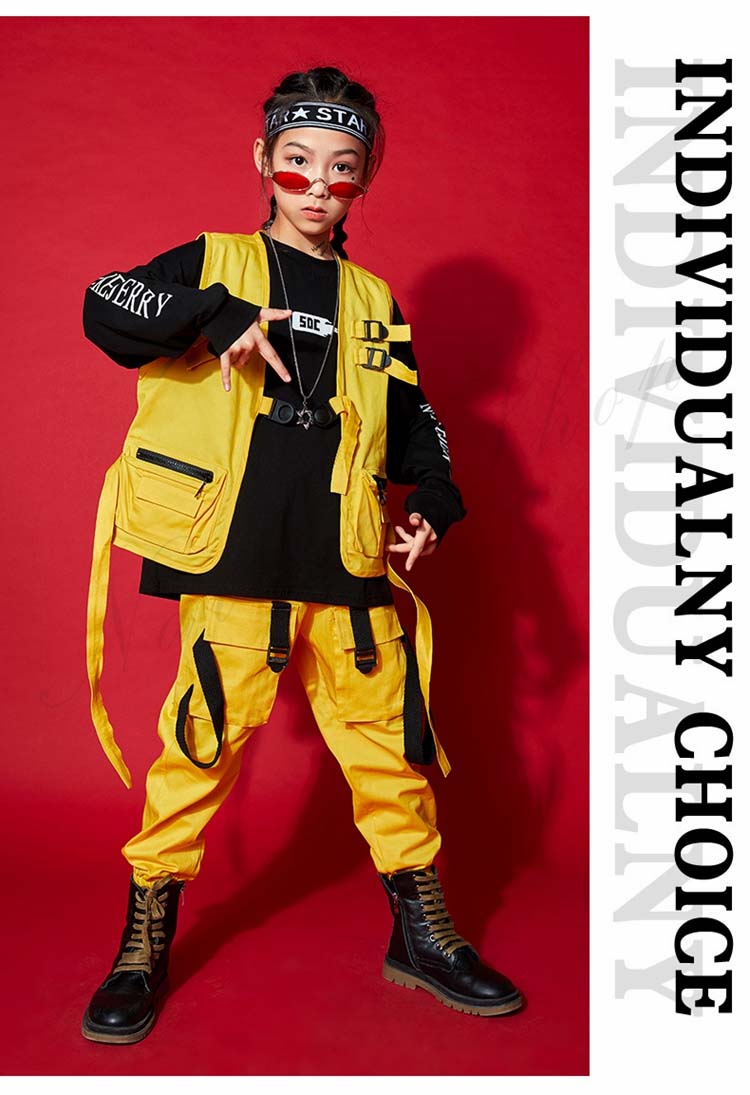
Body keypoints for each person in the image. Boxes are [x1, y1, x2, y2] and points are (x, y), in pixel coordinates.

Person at [81, 65, 524, 1045]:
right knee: (199, 747)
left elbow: (410, 413)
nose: (318, 185)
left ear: (364, 179)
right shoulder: (210, 263)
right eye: (297, 163)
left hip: (347, 561)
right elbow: (103, 303)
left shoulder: (374, 298)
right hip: (235, 557)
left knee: (391, 752)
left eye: (342, 167)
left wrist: (436, 497)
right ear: (263, 161)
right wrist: (213, 316)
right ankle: (143, 942)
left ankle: (422, 933)